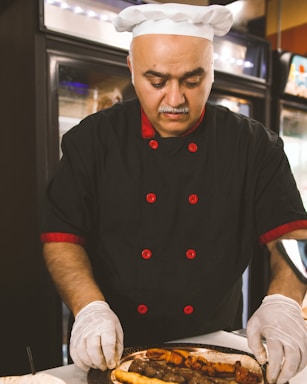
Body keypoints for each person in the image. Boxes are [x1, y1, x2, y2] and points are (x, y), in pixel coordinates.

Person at [41, 3, 307, 384]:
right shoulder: (92, 140)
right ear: (132, 70)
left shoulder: (254, 146)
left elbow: (291, 233)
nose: (175, 99)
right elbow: (62, 237)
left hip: (214, 346)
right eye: (157, 80)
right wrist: (89, 309)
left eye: (192, 80)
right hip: (112, 347)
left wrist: (283, 302)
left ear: (212, 72)